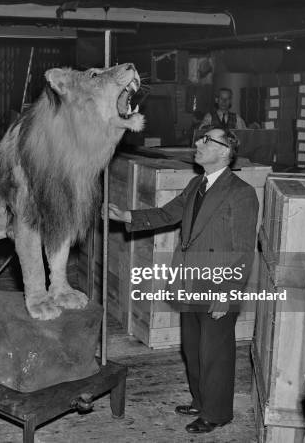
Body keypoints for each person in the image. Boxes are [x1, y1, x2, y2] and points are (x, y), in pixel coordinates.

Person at [109, 128, 259, 434]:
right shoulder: (196, 184)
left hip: (218, 284)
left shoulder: (241, 192)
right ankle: (200, 400)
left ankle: (216, 413)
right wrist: (126, 215)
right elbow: (168, 214)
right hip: (190, 280)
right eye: (200, 138)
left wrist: (228, 293)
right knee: (193, 348)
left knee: (214, 352)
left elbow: (244, 250)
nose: (198, 144)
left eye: (208, 141)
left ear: (225, 151)